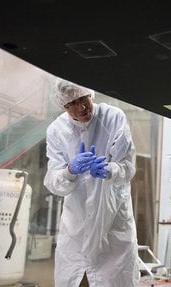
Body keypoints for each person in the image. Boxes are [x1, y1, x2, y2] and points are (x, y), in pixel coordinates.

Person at [43, 79, 139, 287]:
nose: (81, 107)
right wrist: (70, 170)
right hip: (76, 224)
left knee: (114, 278)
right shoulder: (56, 130)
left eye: (82, 98)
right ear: (63, 106)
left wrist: (109, 170)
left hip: (112, 222)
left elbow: (128, 168)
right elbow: (53, 181)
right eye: (72, 104)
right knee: (75, 277)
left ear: (90, 93)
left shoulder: (113, 117)